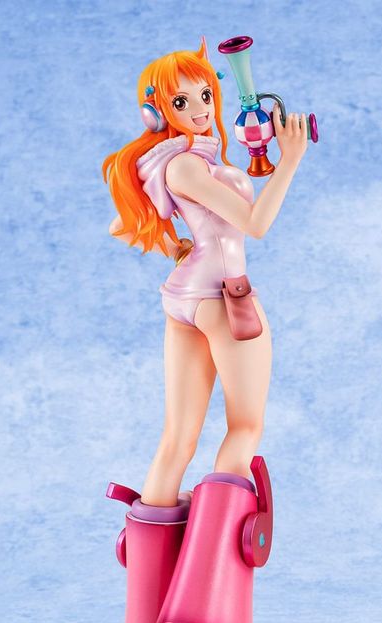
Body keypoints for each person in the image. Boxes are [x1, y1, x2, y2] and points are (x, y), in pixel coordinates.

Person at [102, 39, 308, 508]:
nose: (199, 110)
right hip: (223, 299)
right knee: (246, 426)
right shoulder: (185, 165)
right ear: (155, 113)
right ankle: (213, 542)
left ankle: (151, 547)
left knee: (178, 437)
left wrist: (179, 247)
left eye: (206, 95)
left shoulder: (174, 161)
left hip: (187, 298)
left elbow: (123, 224)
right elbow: (255, 225)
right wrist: (291, 160)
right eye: (181, 102)